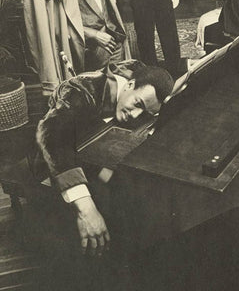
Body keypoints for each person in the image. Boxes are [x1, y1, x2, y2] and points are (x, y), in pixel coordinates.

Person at [32, 59, 174, 255]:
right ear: (130, 85)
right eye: (137, 104)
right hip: (57, 160)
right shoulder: (81, 92)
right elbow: (52, 138)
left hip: (97, 154)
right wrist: (86, 208)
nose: (135, 115)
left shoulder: (140, 78)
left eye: (146, 113)